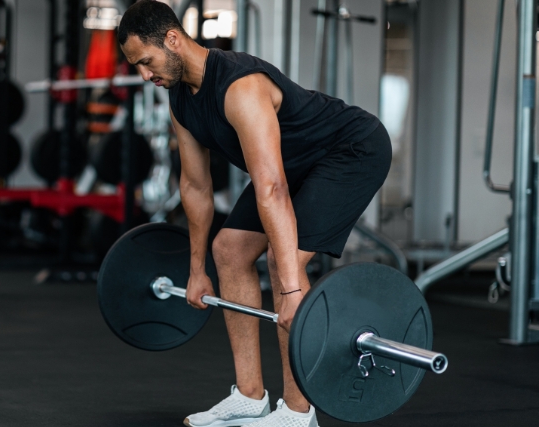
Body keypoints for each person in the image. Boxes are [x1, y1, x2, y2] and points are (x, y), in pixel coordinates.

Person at [117, 1, 391, 426]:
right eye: (137, 65)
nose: (144, 74)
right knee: (228, 250)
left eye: (146, 61)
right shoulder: (179, 99)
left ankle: (299, 414)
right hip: (294, 165)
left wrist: (290, 289)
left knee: (286, 263)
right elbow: (195, 186)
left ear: (172, 39)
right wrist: (196, 269)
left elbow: (271, 188)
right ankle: (249, 396)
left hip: (349, 151)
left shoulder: (239, 87)